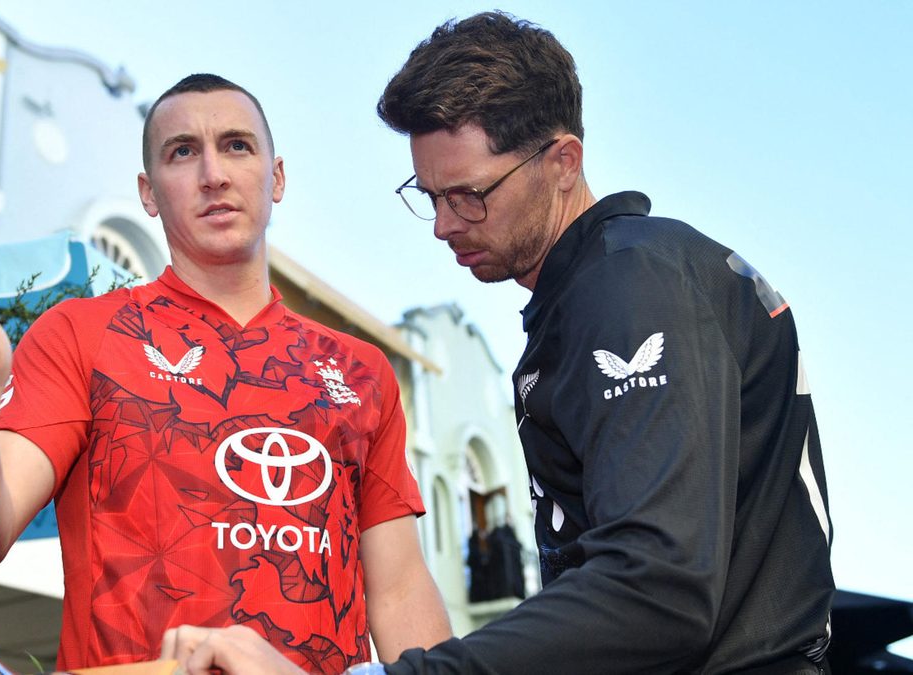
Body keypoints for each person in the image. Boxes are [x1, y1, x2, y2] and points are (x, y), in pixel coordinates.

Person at [161, 12, 835, 675]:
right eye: (429, 195)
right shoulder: (611, 287)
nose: (445, 224)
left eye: (470, 194)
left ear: (563, 161)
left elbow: (659, 587)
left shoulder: (631, 283)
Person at [0, 73, 451, 672]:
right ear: (148, 192)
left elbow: (398, 589)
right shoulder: (80, 334)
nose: (214, 174)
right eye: (182, 152)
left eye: (237, 145)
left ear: (276, 177)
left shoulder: (361, 371)